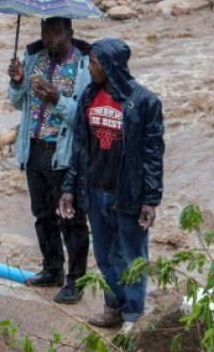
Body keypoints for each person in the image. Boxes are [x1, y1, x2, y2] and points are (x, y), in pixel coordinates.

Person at [59, 37, 164, 331]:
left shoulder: (144, 102)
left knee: (132, 257)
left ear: (110, 64)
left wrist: (151, 199)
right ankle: (113, 308)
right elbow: (80, 147)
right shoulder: (89, 96)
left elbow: (153, 155)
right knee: (105, 256)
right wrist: (69, 188)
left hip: (129, 194)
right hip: (95, 190)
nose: (89, 67)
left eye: (93, 62)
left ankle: (133, 316)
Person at [7, 17, 91, 304]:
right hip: (34, 148)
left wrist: (58, 100)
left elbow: (85, 117)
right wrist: (18, 81)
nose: (50, 38)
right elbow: (17, 102)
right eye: (46, 33)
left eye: (57, 33)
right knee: (43, 215)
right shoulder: (34, 58)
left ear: (70, 33)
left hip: (64, 154)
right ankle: (52, 269)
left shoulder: (84, 65)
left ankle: (76, 281)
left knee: (72, 220)